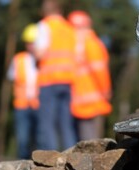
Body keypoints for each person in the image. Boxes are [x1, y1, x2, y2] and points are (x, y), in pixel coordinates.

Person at [34, 0, 78, 150]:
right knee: (66, 124)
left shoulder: (44, 25)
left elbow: (40, 52)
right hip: (67, 81)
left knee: (47, 123)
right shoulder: (69, 28)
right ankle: (72, 157)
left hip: (49, 80)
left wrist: (33, 54)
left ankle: (49, 161)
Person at [68, 11, 112, 140]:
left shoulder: (82, 46)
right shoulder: (91, 44)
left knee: (87, 144)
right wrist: (106, 91)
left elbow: (98, 70)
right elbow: (100, 71)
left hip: (84, 103)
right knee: (90, 145)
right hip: (91, 102)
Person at [7, 24, 39, 159]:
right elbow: (11, 77)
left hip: (39, 106)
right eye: (29, 43)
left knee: (38, 140)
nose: (31, 46)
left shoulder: (44, 60)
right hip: (21, 105)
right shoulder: (18, 59)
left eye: (33, 43)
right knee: (22, 140)